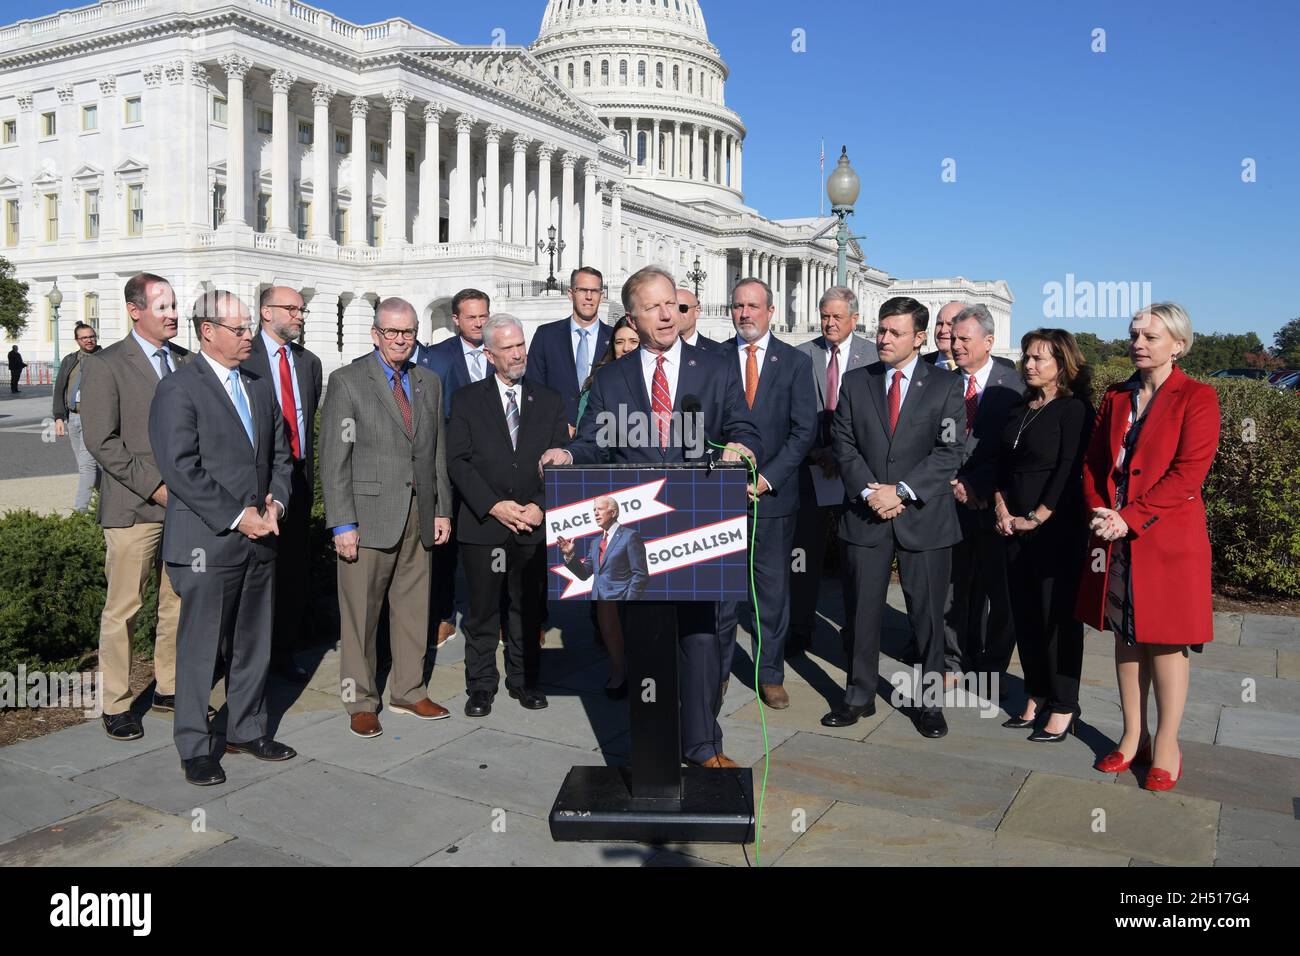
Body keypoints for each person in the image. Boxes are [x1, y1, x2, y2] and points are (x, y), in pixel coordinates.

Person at [541, 266, 761, 769]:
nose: (666, 315)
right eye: (653, 307)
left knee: (702, 639)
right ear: (634, 318)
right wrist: (569, 457)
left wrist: (740, 448)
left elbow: (742, 426)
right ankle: (653, 746)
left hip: (699, 520)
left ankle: (704, 745)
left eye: (673, 305)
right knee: (648, 639)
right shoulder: (613, 377)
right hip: (636, 527)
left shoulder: (715, 366)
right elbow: (594, 441)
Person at [149, 291, 296, 786]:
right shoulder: (179, 388)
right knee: (201, 646)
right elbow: (181, 469)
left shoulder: (256, 384)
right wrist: (239, 517)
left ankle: (245, 727)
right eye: (239, 329)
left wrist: (275, 504)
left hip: (261, 535)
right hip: (206, 542)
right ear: (207, 330)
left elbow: (279, 454)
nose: (249, 335)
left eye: (250, 327)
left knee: (254, 640)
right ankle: (194, 745)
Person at [1076, 303, 1220, 791]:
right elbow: (1094, 462)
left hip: (1167, 541)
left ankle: (1166, 744)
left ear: (1178, 345)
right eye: (1135, 334)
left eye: (1150, 337)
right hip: (1113, 535)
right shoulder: (1117, 396)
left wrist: (1128, 518)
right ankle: (1131, 736)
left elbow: (1189, 473)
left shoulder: (1197, 397)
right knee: (1125, 634)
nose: (1138, 343)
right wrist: (1101, 511)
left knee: (1166, 639)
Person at [824, 296, 965, 739]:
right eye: (882, 330)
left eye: (895, 332)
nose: (883, 339)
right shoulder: (855, 382)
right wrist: (870, 491)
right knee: (861, 612)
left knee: (926, 617)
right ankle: (858, 696)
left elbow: (949, 451)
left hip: (923, 518)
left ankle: (928, 705)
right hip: (865, 515)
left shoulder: (944, 387)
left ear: (919, 338)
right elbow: (843, 443)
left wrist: (901, 492)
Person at [320, 297, 454, 739]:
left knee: (415, 609)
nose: (401, 340)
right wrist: (342, 523)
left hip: (419, 515)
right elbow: (334, 460)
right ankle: (360, 699)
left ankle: (409, 690)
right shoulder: (348, 381)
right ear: (375, 334)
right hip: (367, 516)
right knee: (360, 615)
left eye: (409, 332)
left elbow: (435, 451)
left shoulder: (428, 382)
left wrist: (441, 509)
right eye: (392, 332)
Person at [79, 273, 188, 741]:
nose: (172, 314)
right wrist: (157, 487)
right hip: (132, 509)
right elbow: (101, 441)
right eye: (162, 307)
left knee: (177, 602)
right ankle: (117, 703)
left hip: (186, 509)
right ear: (135, 309)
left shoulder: (186, 362)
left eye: (174, 306)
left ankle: (170, 687)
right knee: (124, 608)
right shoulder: (105, 365)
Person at [448, 314, 569, 718]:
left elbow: (557, 460)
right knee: (482, 612)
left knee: (527, 609)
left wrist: (538, 504)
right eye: (508, 347)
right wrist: (494, 505)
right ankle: (481, 685)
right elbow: (458, 461)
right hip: (484, 524)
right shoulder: (467, 400)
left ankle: (525, 680)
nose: (518, 354)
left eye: (521, 345)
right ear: (488, 354)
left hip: (532, 523)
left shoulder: (549, 400)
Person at [715, 278, 816, 709]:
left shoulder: (793, 362)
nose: (745, 314)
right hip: (718, 497)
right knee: (719, 595)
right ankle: (715, 673)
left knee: (770, 593)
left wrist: (766, 478)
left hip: (772, 497)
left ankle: (769, 674)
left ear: (770, 311)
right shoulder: (713, 359)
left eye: (753, 306)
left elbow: (803, 430)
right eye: (738, 306)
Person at [993, 329, 1093, 741]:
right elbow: (1000, 463)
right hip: (1011, 525)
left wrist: (1035, 517)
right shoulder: (1020, 408)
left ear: (1063, 364)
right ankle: (1035, 692)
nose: (1029, 365)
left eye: (1040, 359)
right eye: (1027, 357)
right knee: (1026, 614)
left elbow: (1069, 469)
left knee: (1058, 619)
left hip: (1056, 529)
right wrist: (1002, 509)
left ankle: (1064, 703)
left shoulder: (1075, 410)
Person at [241, 286, 322, 682]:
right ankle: (244, 657)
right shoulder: (243, 355)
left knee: (292, 571)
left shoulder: (309, 362)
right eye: (291, 309)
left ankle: (283, 653)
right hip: (256, 484)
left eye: (302, 309)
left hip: (299, 479)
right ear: (265, 312)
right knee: (255, 572)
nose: (300, 316)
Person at [792, 287, 878, 657]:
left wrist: (841, 455)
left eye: (837, 317)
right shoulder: (800, 356)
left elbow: (877, 419)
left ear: (854, 320)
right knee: (802, 558)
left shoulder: (874, 357)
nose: (828, 322)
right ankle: (799, 629)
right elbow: (791, 413)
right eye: (824, 315)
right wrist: (814, 450)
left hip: (856, 474)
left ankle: (854, 634)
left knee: (853, 560)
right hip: (809, 471)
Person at [945, 305, 1025, 689]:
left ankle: (992, 664)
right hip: (948, 500)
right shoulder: (938, 381)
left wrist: (980, 486)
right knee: (953, 586)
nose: (955, 345)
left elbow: (1015, 450)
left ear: (988, 341)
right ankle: (954, 658)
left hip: (995, 502)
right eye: (953, 338)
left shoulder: (1015, 385)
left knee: (999, 588)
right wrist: (953, 483)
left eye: (964, 339)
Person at [417, 288, 491, 649]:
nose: (479, 323)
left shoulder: (500, 351)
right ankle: (444, 616)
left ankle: (497, 616)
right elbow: (431, 416)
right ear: (456, 320)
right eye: (471, 317)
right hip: (451, 466)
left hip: (495, 469)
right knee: (444, 546)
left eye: (483, 316)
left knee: (495, 545)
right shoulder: (437, 358)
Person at [573, 316, 640, 694]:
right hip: (608, 486)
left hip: (650, 488)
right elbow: (588, 437)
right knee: (609, 590)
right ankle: (618, 667)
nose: (627, 347)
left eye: (633, 341)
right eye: (620, 342)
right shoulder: (599, 384)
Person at [527, 266, 613, 432]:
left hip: (602, 436)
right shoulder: (546, 336)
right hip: (555, 434)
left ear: (601, 296)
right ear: (570, 293)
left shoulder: (615, 338)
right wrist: (555, 424)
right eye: (582, 290)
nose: (589, 297)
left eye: (594, 291)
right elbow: (534, 388)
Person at [52, 322, 103, 512]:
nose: (89, 340)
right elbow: (59, 389)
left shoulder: (106, 358)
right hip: (73, 417)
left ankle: (79, 513)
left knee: (87, 465)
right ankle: (109, 497)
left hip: (94, 419)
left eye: (92, 336)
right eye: (84, 338)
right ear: (77, 340)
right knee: (84, 465)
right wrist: (59, 417)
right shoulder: (70, 360)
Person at [559, 497, 649, 601]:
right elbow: (584, 574)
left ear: (613, 512)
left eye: (600, 509)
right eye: (594, 510)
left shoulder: (630, 537)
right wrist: (570, 555)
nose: (596, 513)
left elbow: (640, 575)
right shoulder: (596, 542)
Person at [676, 287, 724, 354]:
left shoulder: (718, 351)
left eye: (682, 308)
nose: (676, 314)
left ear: (697, 312)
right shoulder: (659, 349)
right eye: (672, 308)